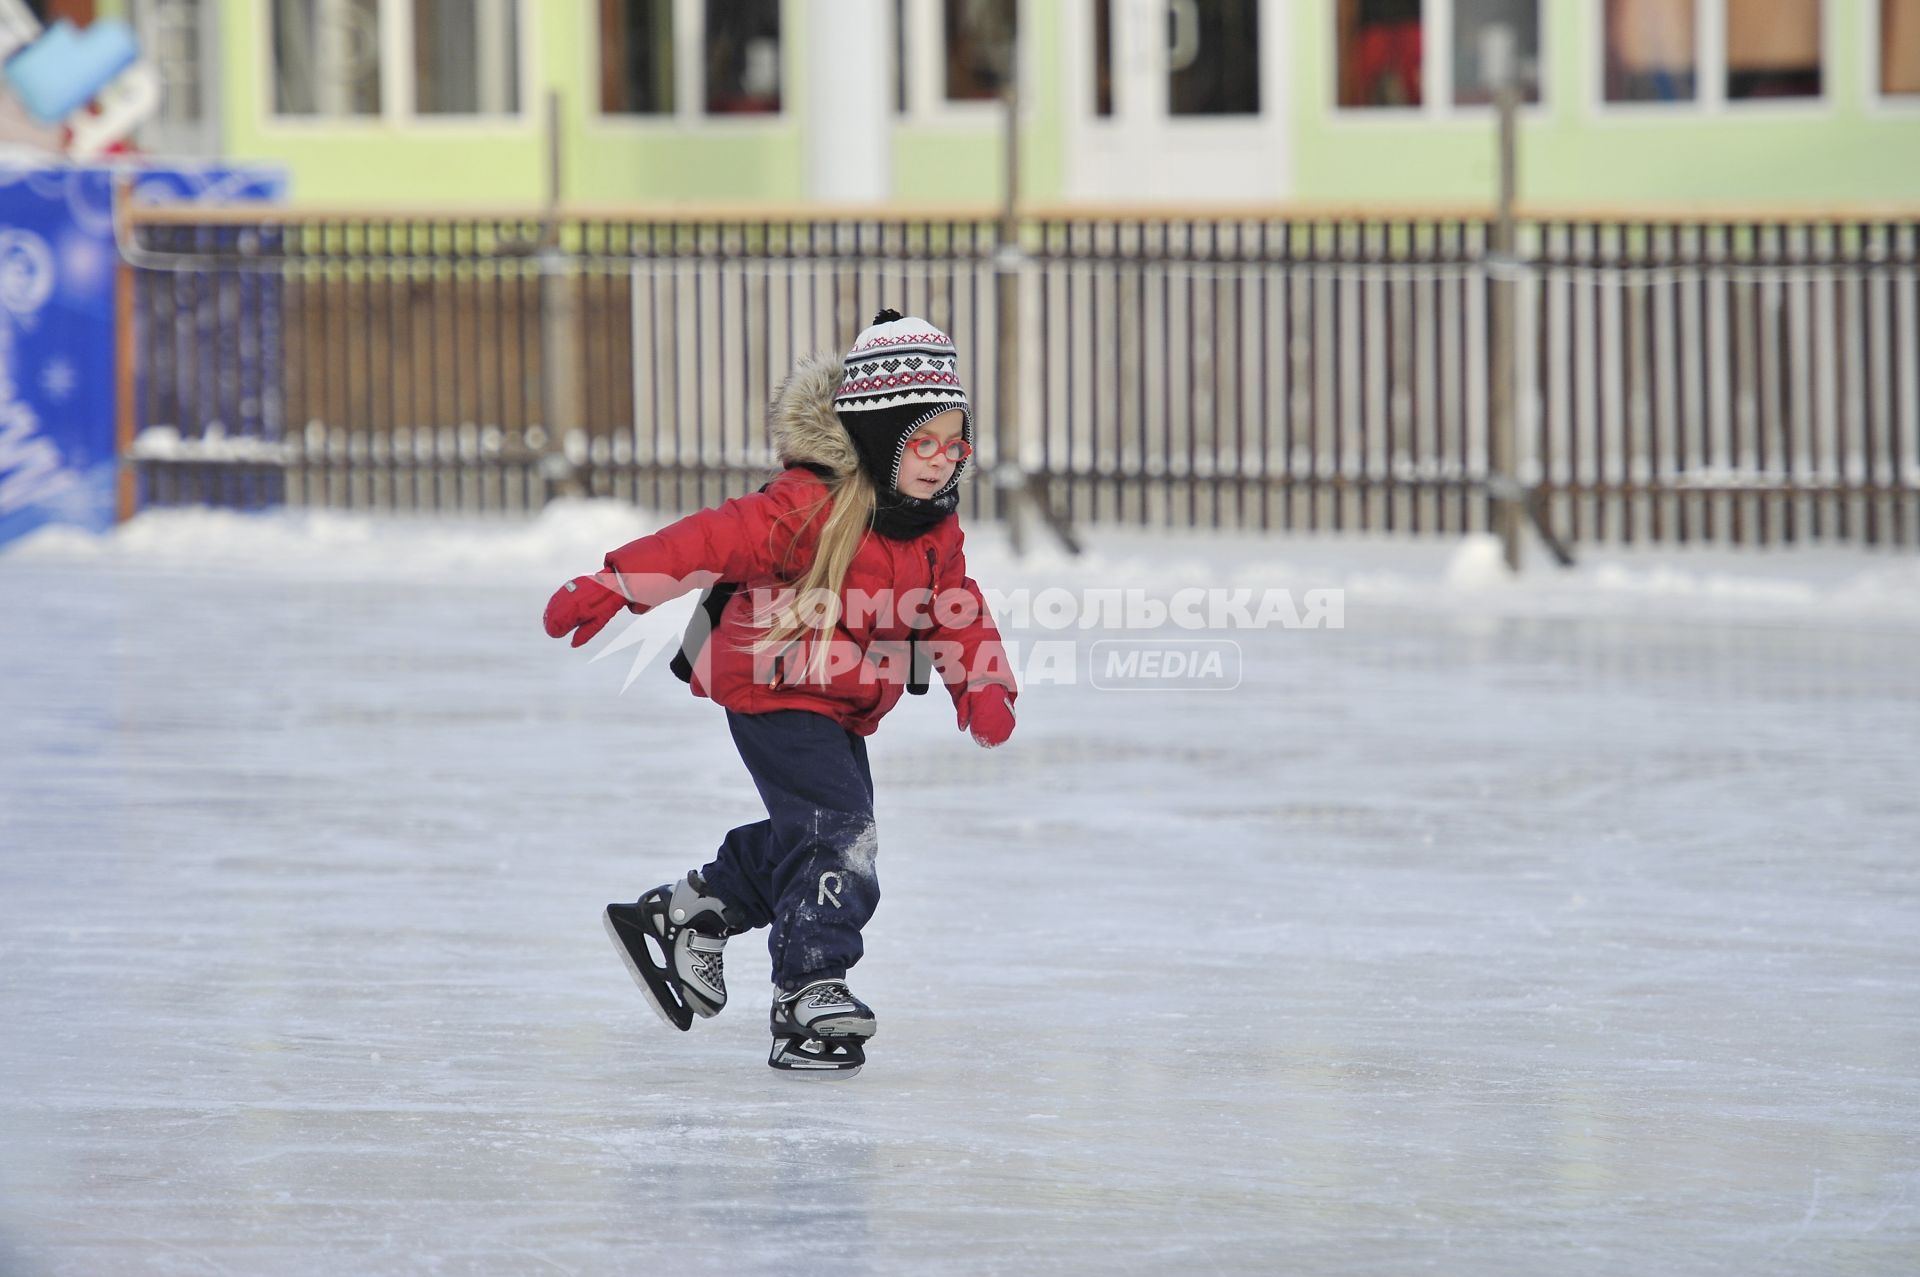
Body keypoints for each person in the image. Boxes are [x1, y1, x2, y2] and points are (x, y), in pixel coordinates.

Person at [542, 309, 1018, 1075]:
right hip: (773, 680)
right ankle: (809, 988)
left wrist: (984, 681)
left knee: (817, 833)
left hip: (842, 700)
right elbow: (706, 540)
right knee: (839, 831)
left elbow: (956, 606)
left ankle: (695, 907)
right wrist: (617, 580)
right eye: (919, 441)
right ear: (879, 438)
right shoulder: (806, 504)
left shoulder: (932, 526)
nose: (939, 461)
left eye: (952, 442)